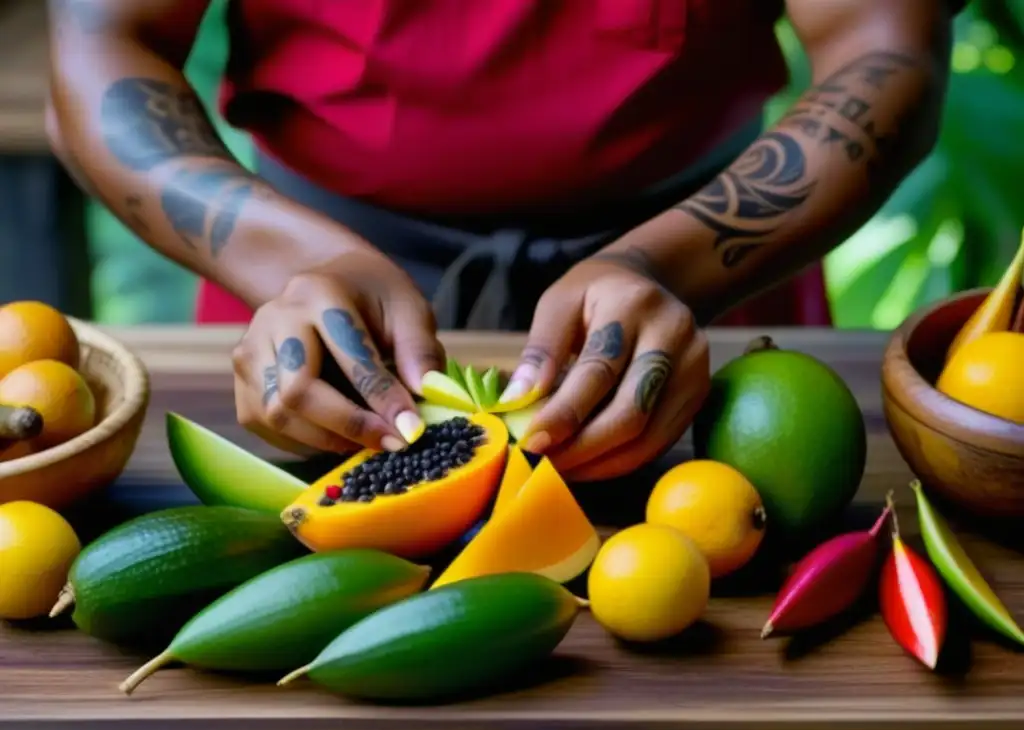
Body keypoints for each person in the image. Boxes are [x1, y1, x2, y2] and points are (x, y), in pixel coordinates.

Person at [46, 0, 959, 481]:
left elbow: (884, 39)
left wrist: (663, 264)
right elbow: (103, 40)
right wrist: (293, 262)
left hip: (706, 298)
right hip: (305, 307)